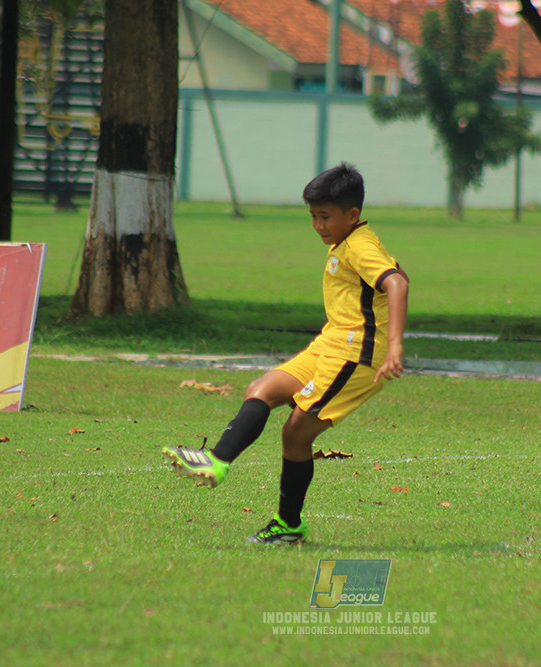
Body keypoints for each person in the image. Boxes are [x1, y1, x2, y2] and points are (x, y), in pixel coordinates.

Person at [162, 162, 409, 544]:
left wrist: (394, 346)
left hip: (357, 354)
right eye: (313, 217)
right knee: (263, 387)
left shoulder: (360, 246)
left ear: (353, 214)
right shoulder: (344, 242)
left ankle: (288, 524)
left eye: (325, 217)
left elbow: (396, 283)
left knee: (296, 432)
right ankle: (217, 460)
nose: (318, 226)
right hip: (330, 342)